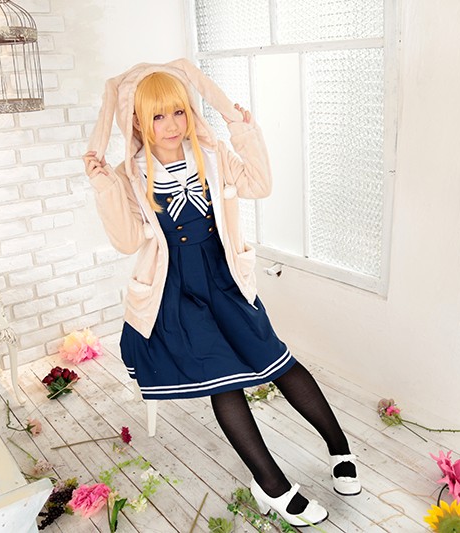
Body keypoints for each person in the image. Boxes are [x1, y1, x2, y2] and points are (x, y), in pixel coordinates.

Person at [83, 58, 360, 526]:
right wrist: (104, 187)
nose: (172, 124)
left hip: (225, 279)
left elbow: (260, 184)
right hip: (176, 291)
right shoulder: (130, 175)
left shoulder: (211, 156)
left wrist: (241, 128)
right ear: (138, 122)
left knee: (279, 361)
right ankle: (272, 485)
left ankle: (340, 448)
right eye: (157, 116)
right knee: (223, 381)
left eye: (178, 111)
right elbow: (129, 242)